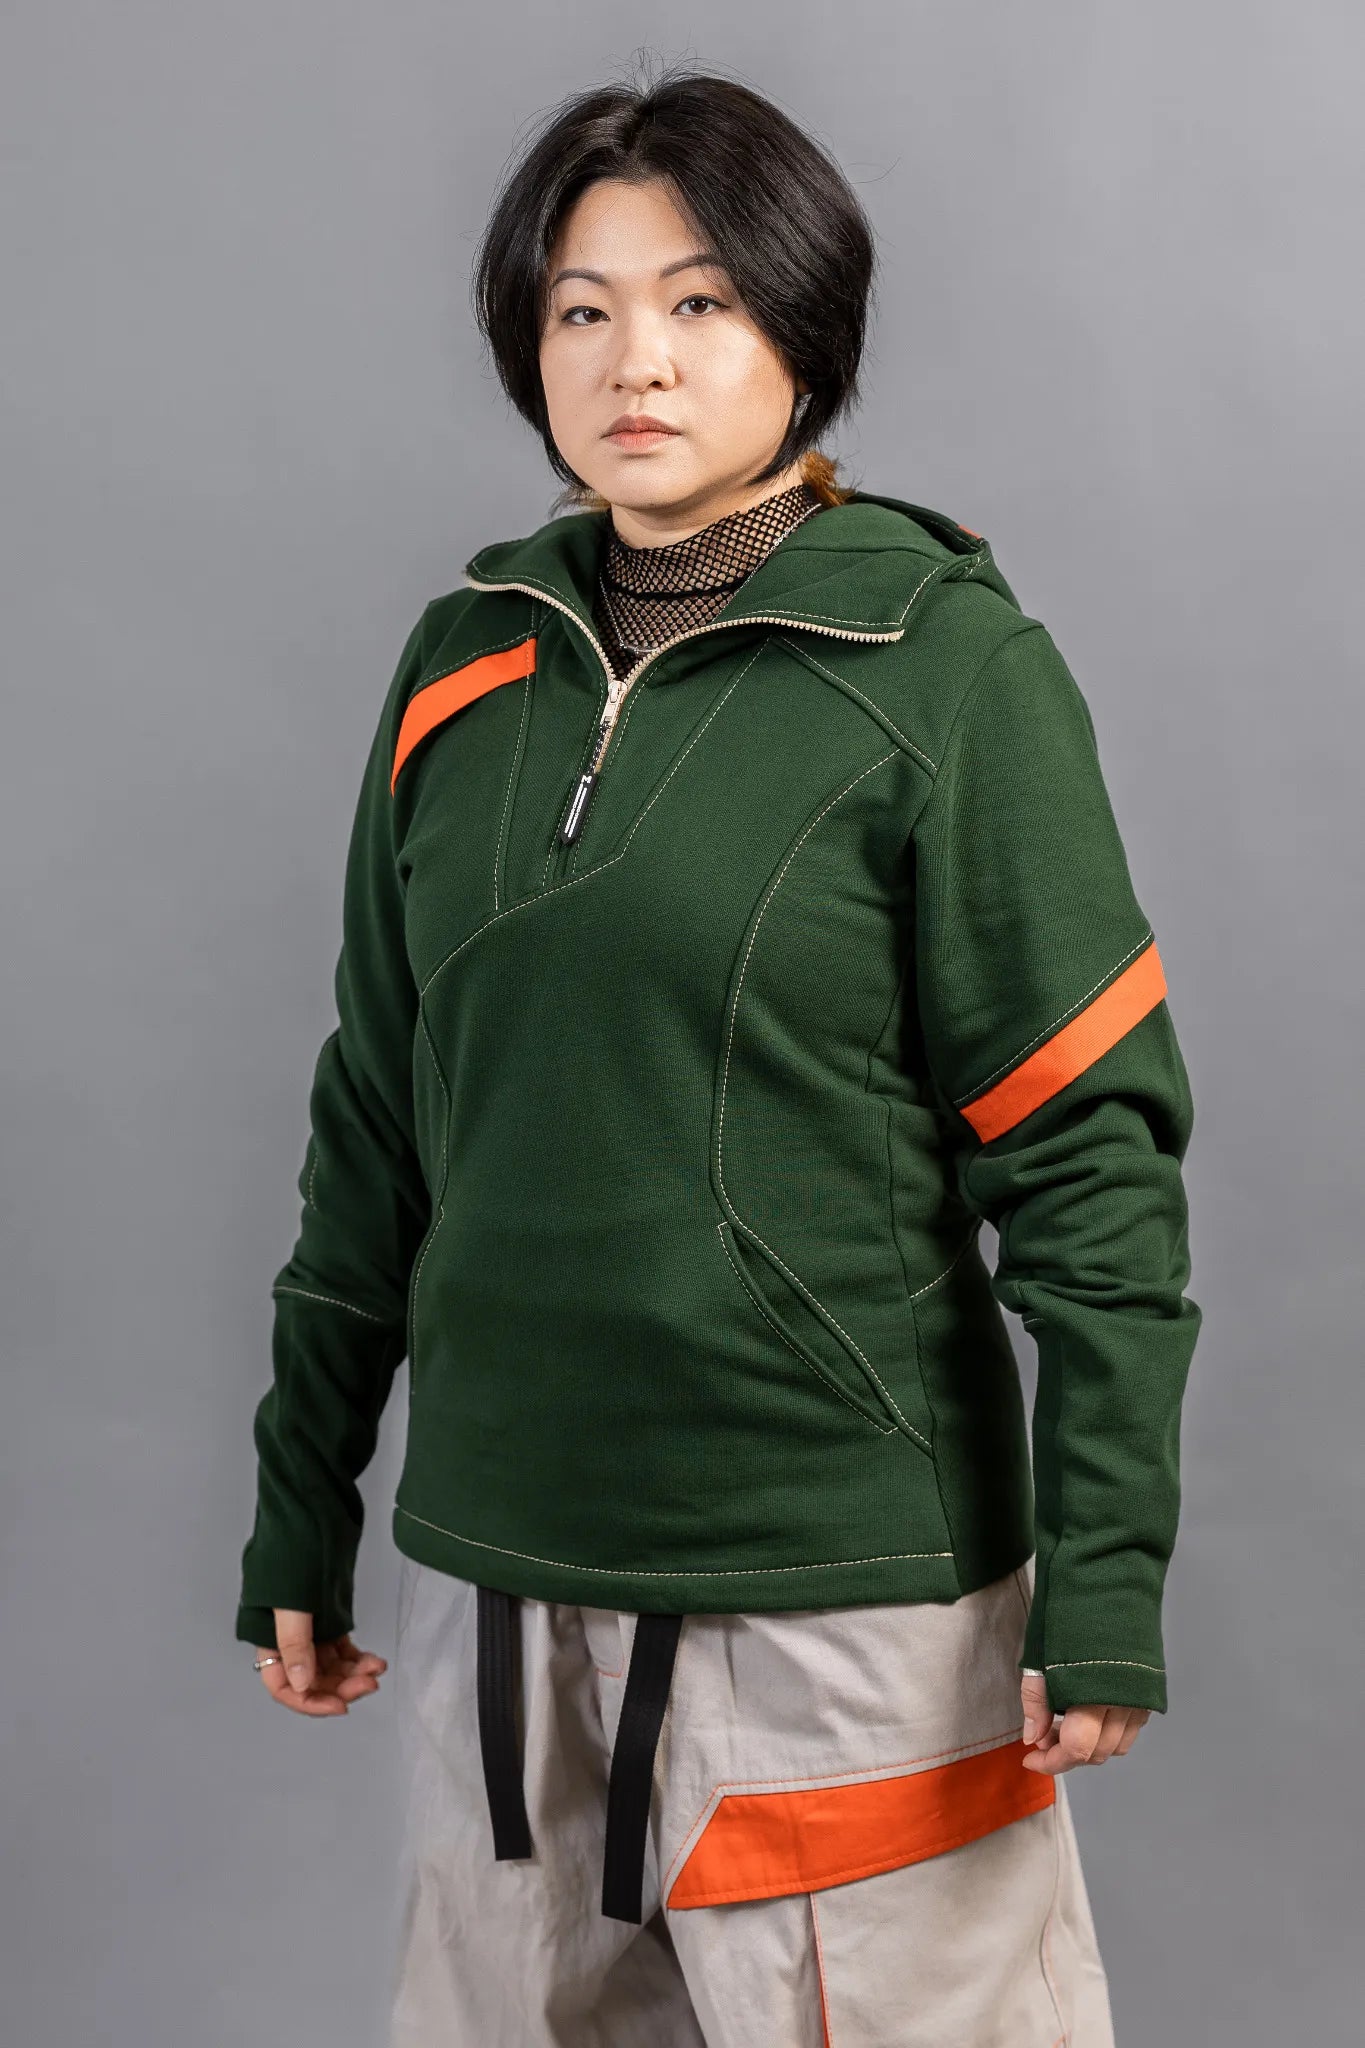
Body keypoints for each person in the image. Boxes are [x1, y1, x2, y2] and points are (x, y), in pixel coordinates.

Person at [234, 62, 1200, 2048]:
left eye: (699, 301)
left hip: (838, 1599)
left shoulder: (946, 671)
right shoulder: (462, 667)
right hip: (499, 1599)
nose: (635, 360)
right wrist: (297, 1502)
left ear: (800, 328)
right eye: (580, 308)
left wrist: (1103, 1572)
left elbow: (1087, 1158)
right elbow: (376, 1115)